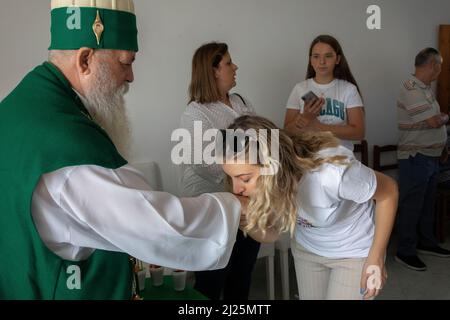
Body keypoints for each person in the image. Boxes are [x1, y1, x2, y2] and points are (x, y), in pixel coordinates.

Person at [0, 0, 246, 300]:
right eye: (125, 63)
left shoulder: (17, 107)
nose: (130, 78)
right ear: (85, 60)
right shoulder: (70, 143)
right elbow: (158, 227)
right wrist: (240, 209)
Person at [221, 115, 398, 300]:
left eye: (245, 178)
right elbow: (271, 234)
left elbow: (389, 193)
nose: (236, 188)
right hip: (308, 249)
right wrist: (246, 219)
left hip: (353, 251)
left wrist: (376, 258)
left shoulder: (331, 172)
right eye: (231, 177)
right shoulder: (269, 183)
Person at [179, 42, 260, 300]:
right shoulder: (196, 113)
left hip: (248, 201)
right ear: (213, 71)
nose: (235, 67)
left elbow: (260, 140)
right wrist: (245, 170)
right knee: (212, 279)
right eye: (228, 63)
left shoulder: (241, 102)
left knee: (242, 274)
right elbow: (201, 161)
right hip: (214, 207)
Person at [395, 48, 450, 271]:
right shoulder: (410, 88)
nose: (440, 70)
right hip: (415, 158)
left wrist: (442, 144)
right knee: (412, 207)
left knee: (427, 204)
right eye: (439, 65)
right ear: (432, 65)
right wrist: (445, 117)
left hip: (431, 157)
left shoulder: (425, 89)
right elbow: (434, 122)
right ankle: (405, 252)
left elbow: (435, 122)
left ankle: (426, 242)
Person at [284, 35, 365, 151]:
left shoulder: (349, 89)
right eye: (316, 56)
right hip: (309, 159)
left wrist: (318, 127)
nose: (322, 62)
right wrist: (305, 117)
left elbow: (359, 132)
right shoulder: (300, 88)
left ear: (337, 59)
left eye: (328, 56)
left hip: (341, 159)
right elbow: (287, 131)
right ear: (310, 60)